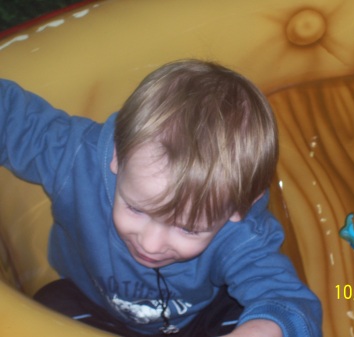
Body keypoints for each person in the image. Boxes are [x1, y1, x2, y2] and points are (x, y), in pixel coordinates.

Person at [0, 59, 322, 336]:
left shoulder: (240, 234)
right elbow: (13, 119)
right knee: (49, 308)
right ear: (117, 155)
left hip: (198, 321)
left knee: (252, 314)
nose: (151, 245)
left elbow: (290, 303)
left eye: (187, 229)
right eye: (137, 208)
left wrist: (260, 328)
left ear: (241, 207)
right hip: (92, 308)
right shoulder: (77, 159)